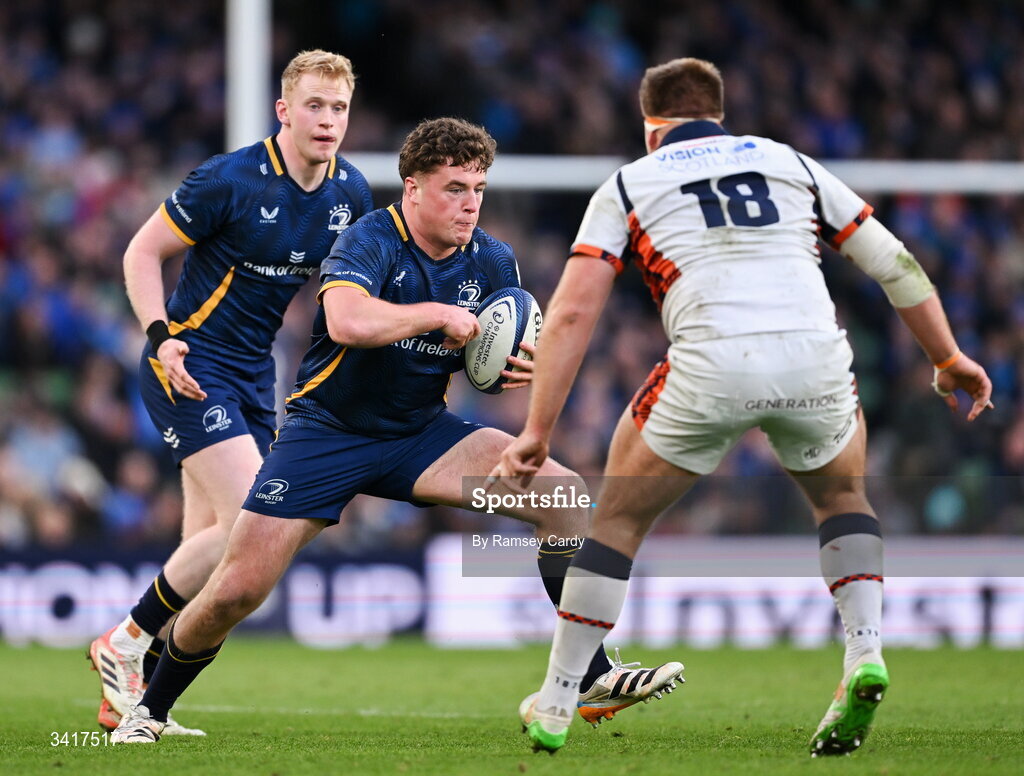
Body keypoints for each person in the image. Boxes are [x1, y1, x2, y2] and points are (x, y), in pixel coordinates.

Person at [109, 117, 682, 743]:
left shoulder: (493, 259)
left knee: (564, 498)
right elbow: (348, 321)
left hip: (419, 437)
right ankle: (149, 713)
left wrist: (521, 363)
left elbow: (497, 348)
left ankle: (589, 676)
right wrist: (438, 315)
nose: (470, 205)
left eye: (479, 189)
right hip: (326, 434)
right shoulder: (369, 238)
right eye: (454, 188)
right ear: (412, 188)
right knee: (234, 594)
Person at [493, 57, 994, 755]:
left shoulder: (631, 182)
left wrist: (537, 429)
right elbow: (895, 265)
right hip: (816, 355)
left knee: (616, 522)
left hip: (712, 360)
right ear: (719, 115)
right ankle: (865, 653)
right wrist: (948, 357)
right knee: (844, 497)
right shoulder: (793, 163)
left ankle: (556, 700)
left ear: (651, 128)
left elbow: (574, 314)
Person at [87, 49, 375, 735]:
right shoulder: (231, 179)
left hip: (254, 376)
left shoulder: (352, 195)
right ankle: (120, 642)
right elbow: (140, 251)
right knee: (256, 522)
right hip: (189, 363)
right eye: (313, 105)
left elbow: (356, 294)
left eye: (338, 108)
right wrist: (160, 335)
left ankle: (138, 708)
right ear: (284, 110)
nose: (327, 119)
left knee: (216, 555)